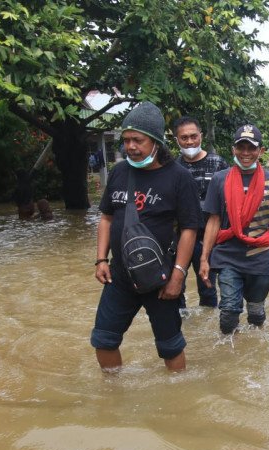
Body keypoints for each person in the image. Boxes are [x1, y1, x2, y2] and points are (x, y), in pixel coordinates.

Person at [90, 101, 202, 372]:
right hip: (119, 277)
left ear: (155, 142)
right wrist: (101, 259)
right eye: (126, 140)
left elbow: (189, 229)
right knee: (103, 340)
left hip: (161, 279)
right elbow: (106, 217)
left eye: (137, 140)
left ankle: (177, 401)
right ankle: (113, 400)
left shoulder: (179, 178)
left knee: (170, 346)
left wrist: (178, 275)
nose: (130, 146)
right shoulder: (119, 172)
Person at [199, 124, 269, 334]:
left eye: (252, 148)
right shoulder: (219, 180)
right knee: (229, 311)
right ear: (233, 149)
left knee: (256, 312)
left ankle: (253, 348)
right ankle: (229, 355)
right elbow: (213, 221)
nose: (246, 153)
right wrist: (204, 258)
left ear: (261, 151)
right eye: (241, 147)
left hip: (259, 256)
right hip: (227, 255)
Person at [174, 116, 230, 308]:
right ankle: (180, 324)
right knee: (175, 285)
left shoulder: (218, 164)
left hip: (208, 239)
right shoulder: (172, 167)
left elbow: (229, 202)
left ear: (201, 136)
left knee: (207, 286)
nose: (189, 142)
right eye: (184, 138)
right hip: (179, 238)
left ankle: (207, 328)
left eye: (193, 136)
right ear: (177, 140)